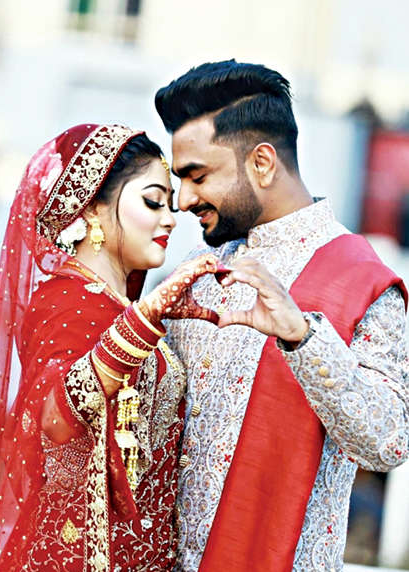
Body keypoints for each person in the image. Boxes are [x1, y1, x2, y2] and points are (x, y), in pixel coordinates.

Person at [155, 60, 409, 571]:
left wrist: (302, 338)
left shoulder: (361, 280)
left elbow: (388, 443)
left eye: (197, 176)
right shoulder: (195, 271)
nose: (183, 200)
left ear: (263, 163)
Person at [0, 123, 220, 571]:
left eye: (170, 205)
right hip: (75, 554)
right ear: (93, 207)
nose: (170, 219)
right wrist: (143, 321)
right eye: (153, 201)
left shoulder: (123, 308)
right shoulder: (64, 299)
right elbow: (55, 418)